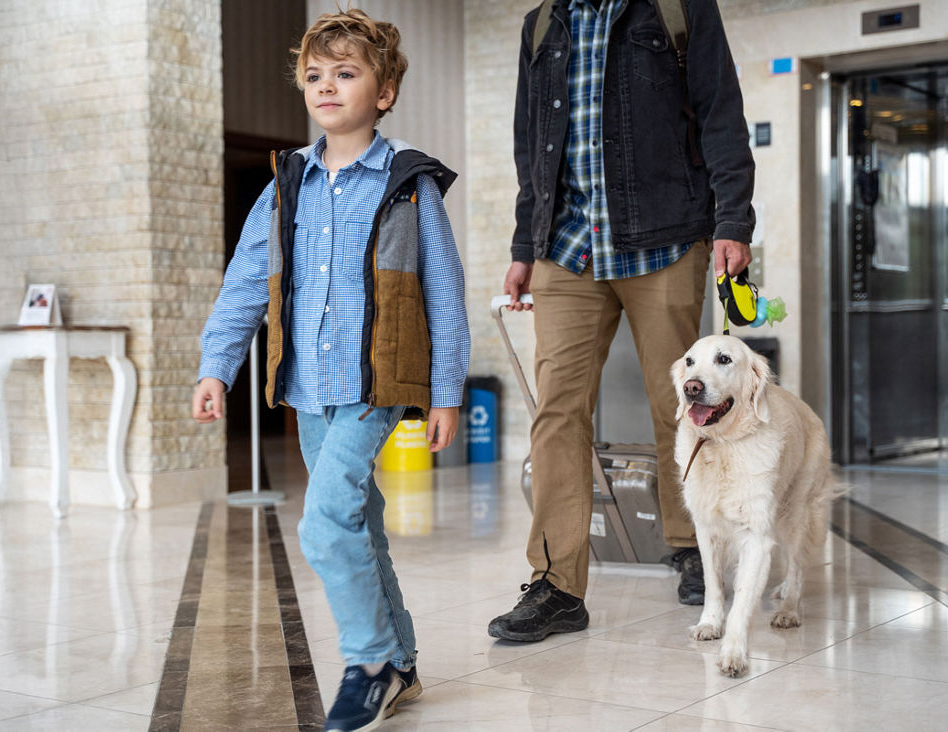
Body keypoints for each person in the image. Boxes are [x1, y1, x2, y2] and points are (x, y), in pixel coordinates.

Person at [191, 10, 468, 731]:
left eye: (346, 73)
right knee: (359, 519)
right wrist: (215, 367)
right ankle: (402, 662)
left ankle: (368, 661)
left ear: (384, 91)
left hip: (375, 383)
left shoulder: (409, 185)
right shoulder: (285, 185)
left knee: (321, 525)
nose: (327, 85)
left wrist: (446, 393)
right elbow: (247, 283)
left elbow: (442, 292)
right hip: (308, 388)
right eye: (315, 75)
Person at [489, 0, 755, 643]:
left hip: (665, 237)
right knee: (557, 408)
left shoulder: (677, 7)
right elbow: (532, 146)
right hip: (566, 245)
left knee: (692, 403)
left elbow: (720, 108)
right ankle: (556, 583)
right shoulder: (543, 23)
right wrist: (525, 244)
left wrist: (734, 221)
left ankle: (695, 548)